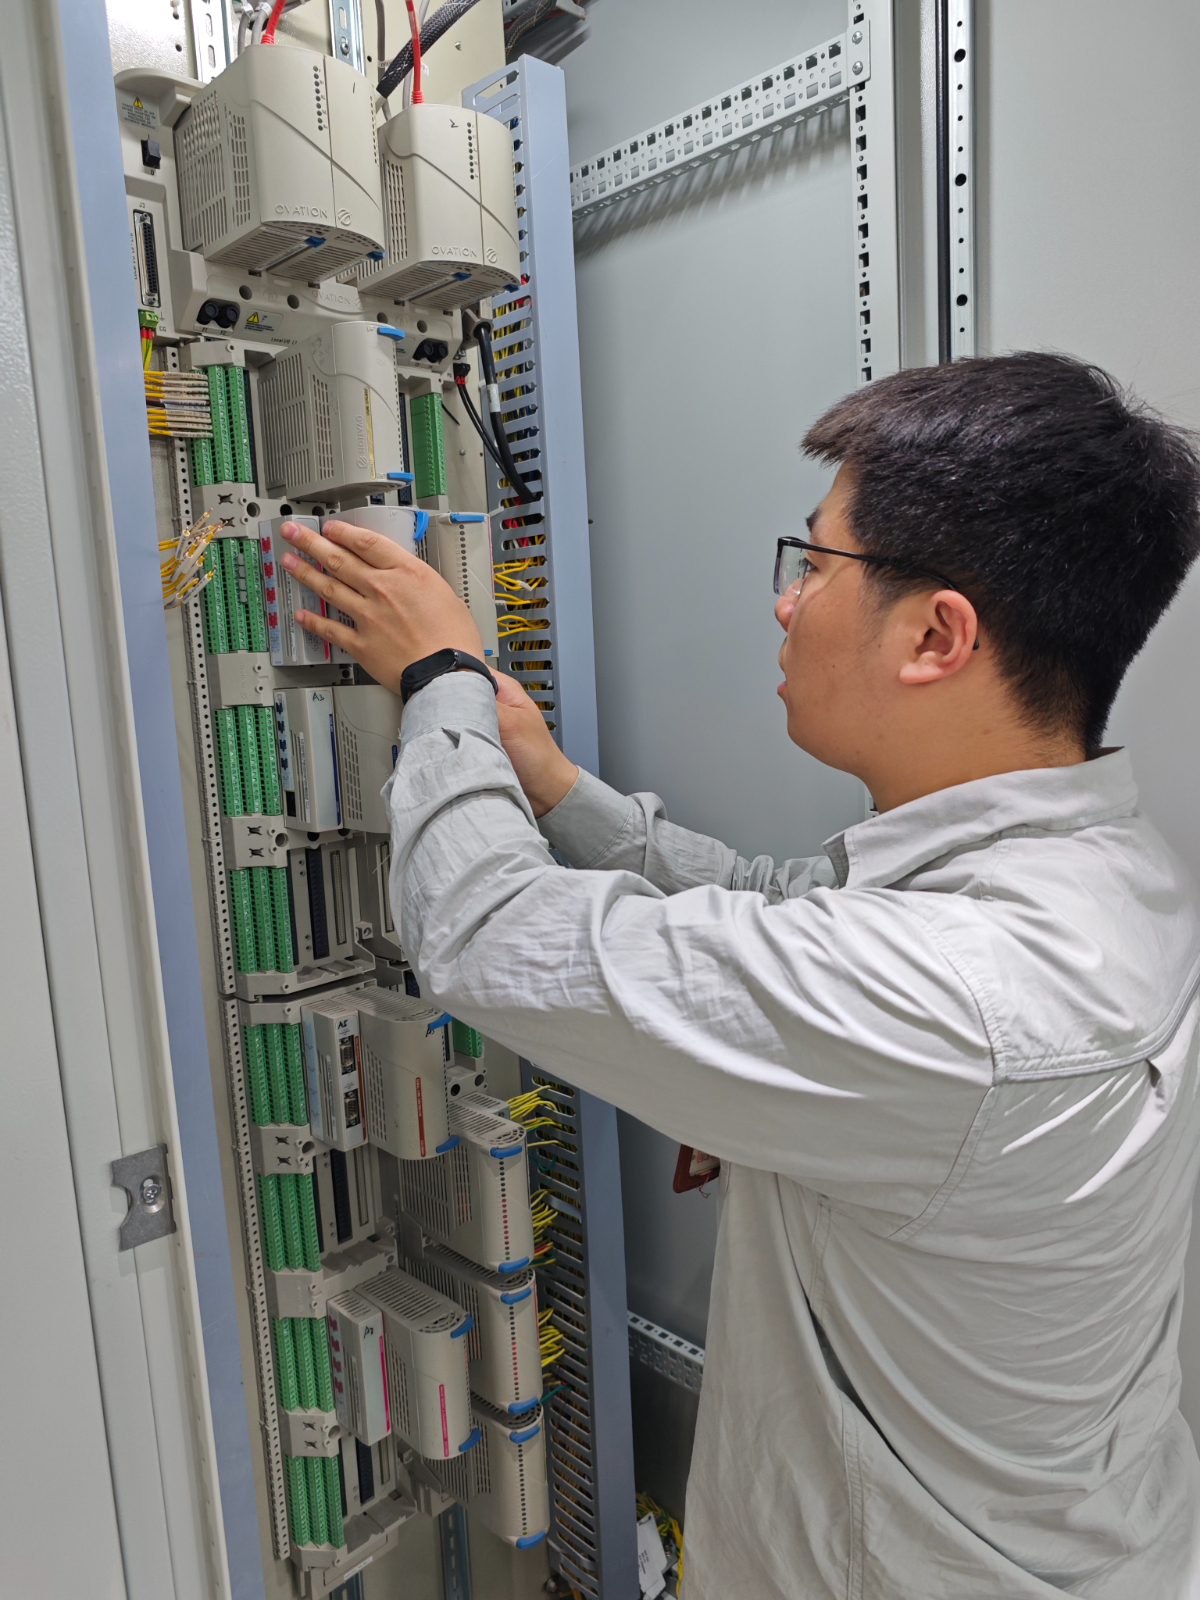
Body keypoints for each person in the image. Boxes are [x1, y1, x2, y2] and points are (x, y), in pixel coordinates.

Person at [276, 352, 1200, 1599]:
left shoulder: (953, 990)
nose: (786, 602)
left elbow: (484, 928)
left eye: (814, 563)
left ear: (936, 634)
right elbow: (793, 909)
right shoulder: (1107, 873)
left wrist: (440, 678)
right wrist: (556, 787)